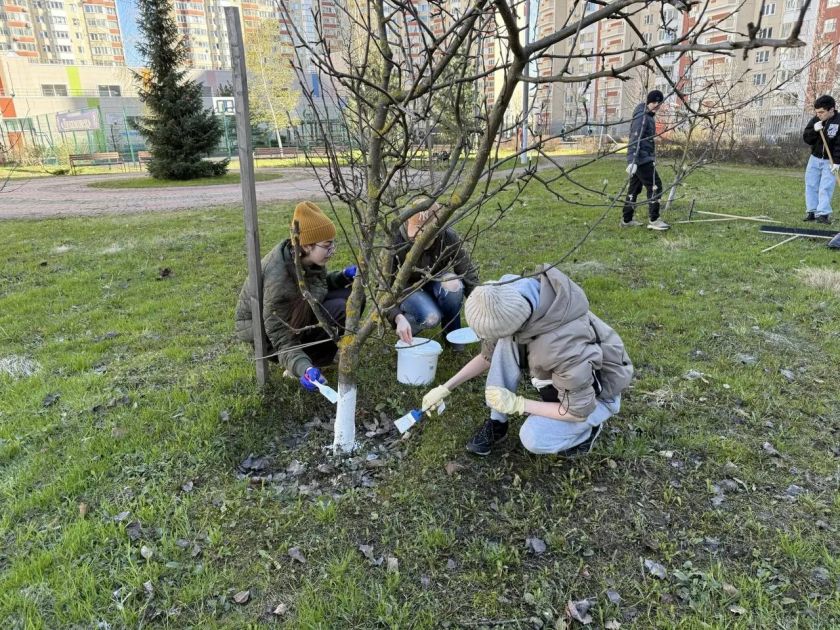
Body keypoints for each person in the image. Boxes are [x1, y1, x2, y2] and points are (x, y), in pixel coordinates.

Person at [420, 266, 633, 456]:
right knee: (505, 344)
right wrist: (445, 388)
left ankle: (589, 431)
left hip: (594, 397)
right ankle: (497, 422)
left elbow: (577, 411)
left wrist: (519, 404)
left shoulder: (564, 346)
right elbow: (488, 357)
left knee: (534, 437)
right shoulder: (509, 297)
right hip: (568, 378)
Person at [234, 201, 358, 392]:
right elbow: (280, 337)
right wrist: (302, 367)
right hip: (270, 338)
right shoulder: (281, 282)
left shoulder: (302, 257)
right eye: (327, 245)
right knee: (342, 308)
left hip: (293, 314)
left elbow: (316, 286)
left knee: (353, 295)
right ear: (307, 246)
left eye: (332, 243)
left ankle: (325, 353)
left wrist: (342, 277)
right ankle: (309, 364)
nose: (332, 250)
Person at [385, 204, 479, 350]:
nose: (421, 239)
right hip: (408, 290)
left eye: (428, 234)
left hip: (434, 280)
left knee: (454, 285)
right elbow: (383, 289)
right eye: (417, 233)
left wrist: (480, 304)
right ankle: (408, 330)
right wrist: (397, 316)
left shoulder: (448, 237)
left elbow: (466, 270)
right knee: (431, 317)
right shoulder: (395, 242)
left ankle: (453, 335)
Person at [621, 90, 670, 231]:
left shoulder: (648, 116)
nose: (658, 106)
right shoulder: (642, 117)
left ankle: (627, 219)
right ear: (650, 102)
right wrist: (632, 161)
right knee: (656, 185)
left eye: (659, 103)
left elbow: (645, 137)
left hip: (643, 156)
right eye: (656, 103)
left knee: (634, 189)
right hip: (641, 159)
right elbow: (634, 138)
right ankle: (654, 219)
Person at [802, 94, 840, 225]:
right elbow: (807, 138)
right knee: (811, 184)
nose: (819, 115)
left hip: (830, 161)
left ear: (831, 110)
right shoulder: (816, 120)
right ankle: (812, 211)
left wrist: (837, 162)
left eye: (822, 112)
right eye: (817, 112)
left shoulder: (839, 122)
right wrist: (814, 130)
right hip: (815, 158)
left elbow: (839, 145)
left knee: (826, 187)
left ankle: (823, 214)